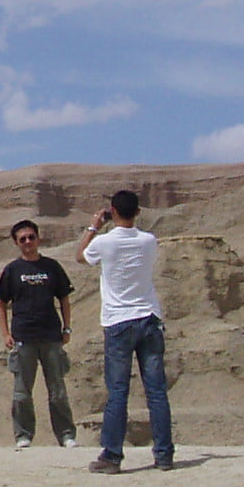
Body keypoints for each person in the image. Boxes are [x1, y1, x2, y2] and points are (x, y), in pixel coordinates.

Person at [79, 189, 173, 472]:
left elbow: (80, 256)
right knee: (156, 392)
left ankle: (111, 456)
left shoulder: (105, 242)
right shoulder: (149, 241)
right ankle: (164, 455)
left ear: (113, 211)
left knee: (118, 391)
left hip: (118, 322)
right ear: (138, 212)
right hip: (148, 318)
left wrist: (95, 226)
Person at [0, 219, 76, 450]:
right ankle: (23, 435)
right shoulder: (12, 270)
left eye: (31, 237)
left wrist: (67, 328)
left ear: (38, 238)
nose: (28, 242)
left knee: (57, 391)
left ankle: (66, 435)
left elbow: (64, 299)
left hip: (51, 336)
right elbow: (1, 303)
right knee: (21, 393)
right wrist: (5, 334)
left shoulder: (52, 267)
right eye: (23, 239)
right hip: (23, 338)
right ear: (16, 243)